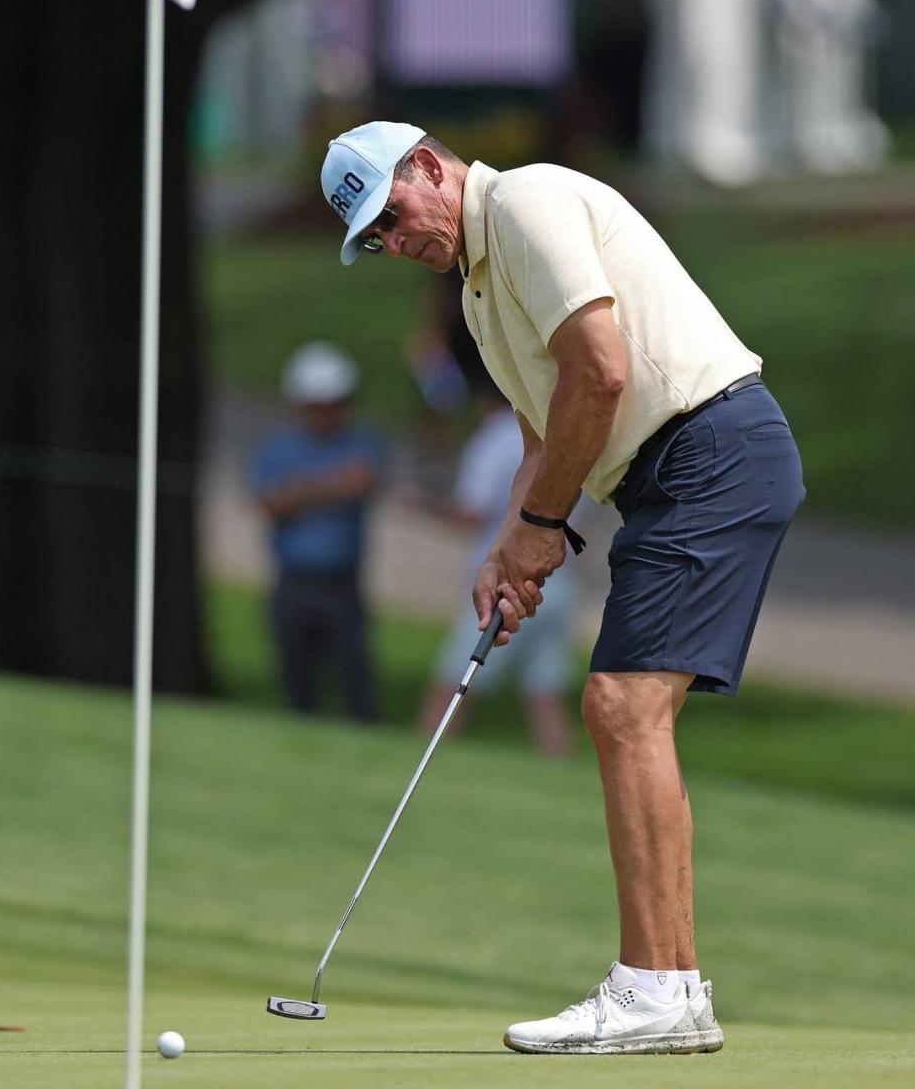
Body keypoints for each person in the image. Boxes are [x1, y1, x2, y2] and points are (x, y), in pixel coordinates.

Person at [319, 120, 805, 1056]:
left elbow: (603, 372)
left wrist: (544, 528)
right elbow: (545, 434)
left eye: (391, 212)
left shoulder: (529, 203)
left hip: (712, 450)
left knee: (621, 706)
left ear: (427, 165)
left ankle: (652, 989)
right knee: (625, 710)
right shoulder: (477, 293)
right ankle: (677, 993)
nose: (395, 240)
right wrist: (507, 546)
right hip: (673, 473)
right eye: (373, 239)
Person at [412, 378, 584, 756]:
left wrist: (420, 503)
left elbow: (473, 512)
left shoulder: (495, 438)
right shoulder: (568, 434)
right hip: (560, 580)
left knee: (454, 682)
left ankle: (416, 756)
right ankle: (561, 776)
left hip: (508, 582)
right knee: (544, 694)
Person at [251, 342, 385, 722]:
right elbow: (270, 504)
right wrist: (330, 485)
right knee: (297, 683)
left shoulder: (361, 441)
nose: (330, 412)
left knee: (355, 682)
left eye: (337, 401)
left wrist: (302, 489)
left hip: (342, 584)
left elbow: (364, 480)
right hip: (293, 582)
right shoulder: (278, 448)